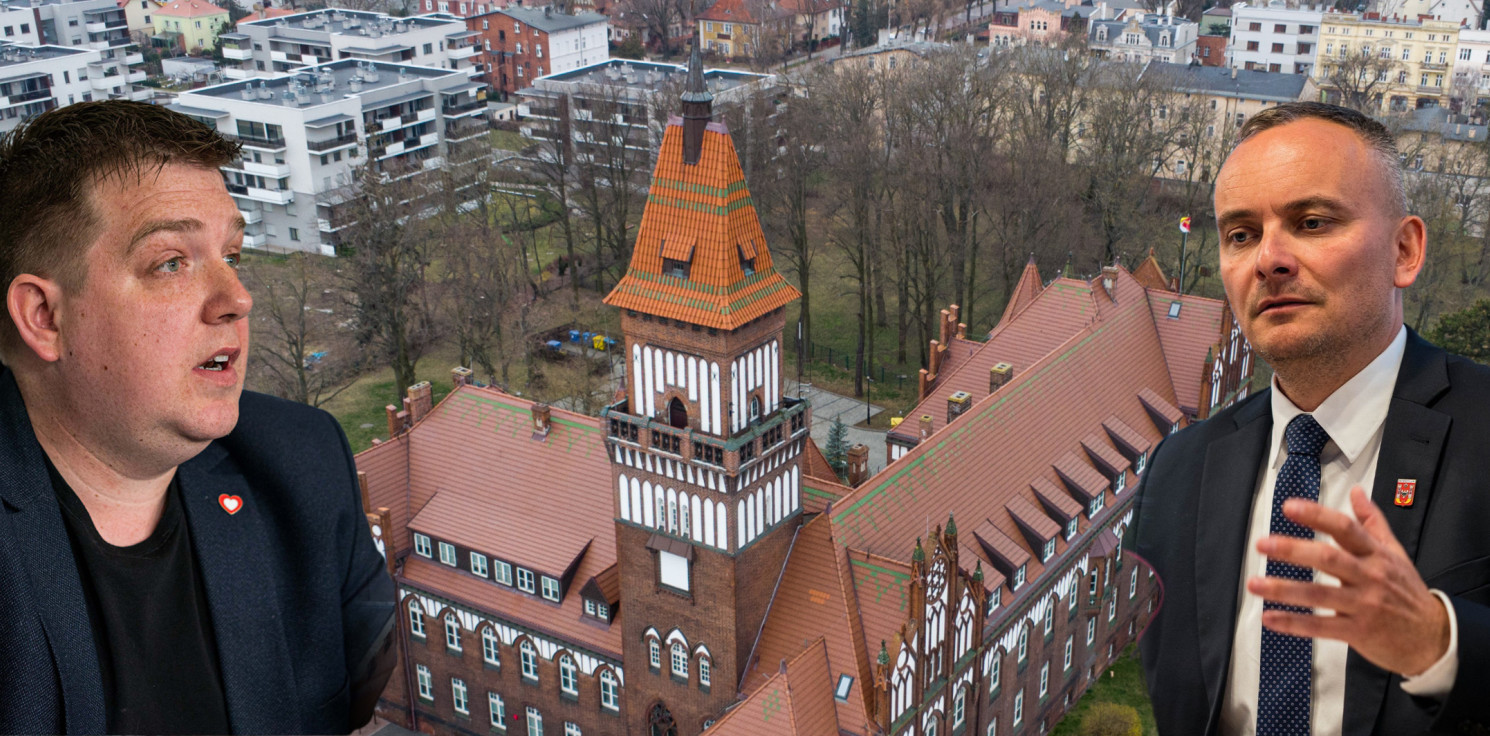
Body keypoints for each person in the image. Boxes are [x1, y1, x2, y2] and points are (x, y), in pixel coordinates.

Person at [0, 100, 396, 733]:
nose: (236, 299)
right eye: (170, 263)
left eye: (231, 255)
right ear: (45, 316)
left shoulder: (303, 466)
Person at [1126, 101, 1490, 735]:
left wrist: (1441, 642)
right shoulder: (1180, 469)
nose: (1269, 259)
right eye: (1240, 234)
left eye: (1312, 222)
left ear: (1404, 250)